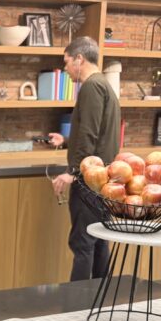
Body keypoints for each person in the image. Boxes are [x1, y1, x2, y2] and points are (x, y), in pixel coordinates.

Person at [48, 36, 121, 281]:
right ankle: (100, 298)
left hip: (89, 180)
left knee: (82, 243)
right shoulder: (104, 85)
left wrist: (72, 173)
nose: (66, 69)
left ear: (80, 59)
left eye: (67, 62)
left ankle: (76, 306)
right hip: (103, 180)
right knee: (99, 240)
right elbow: (96, 133)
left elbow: (89, 134)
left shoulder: (91, 86)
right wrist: (66, 140)